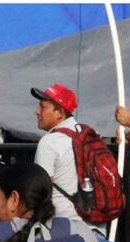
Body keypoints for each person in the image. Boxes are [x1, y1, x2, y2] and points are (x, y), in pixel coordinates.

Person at [31, 82, 82, 221]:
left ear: (59, 113)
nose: (37, 111)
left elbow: (40, 190)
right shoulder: (90, 135)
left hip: (63, 227)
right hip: (96, 225)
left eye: (42, 107)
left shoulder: (50, 142)